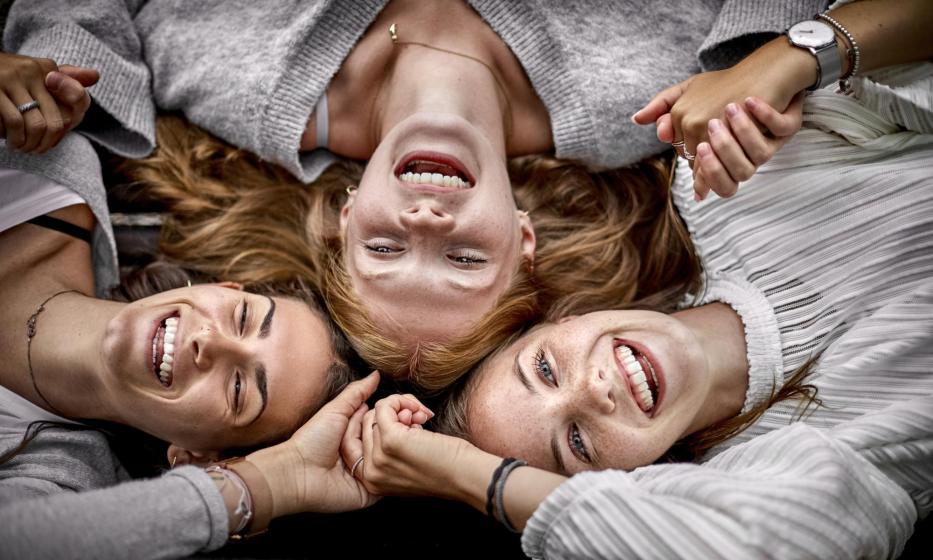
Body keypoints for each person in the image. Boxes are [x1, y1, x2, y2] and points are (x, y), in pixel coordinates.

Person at [337, 35, 933, 560]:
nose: (592, 391)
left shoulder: (719, 181)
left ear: (563, 316)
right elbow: (758, 558)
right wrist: (476, 480)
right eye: (577, 444)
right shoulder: (784, 462)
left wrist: (799, 53)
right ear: (628, 484)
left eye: (545, 368)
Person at [2, 0, 833, 368]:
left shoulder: (235, 79)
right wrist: (763, 53)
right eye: (465, 258)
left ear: (340, 215)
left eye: (387, 245)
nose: (428, 218)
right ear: (523, 238)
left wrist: (48, 70)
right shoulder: (652, 101)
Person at [0, 54, 433, 560]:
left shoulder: (53, 476)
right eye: (244, 317)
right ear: (221, 286)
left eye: (237, 390)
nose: (211, 344)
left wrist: (260, 487)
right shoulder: (39, 159)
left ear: (196, 457)